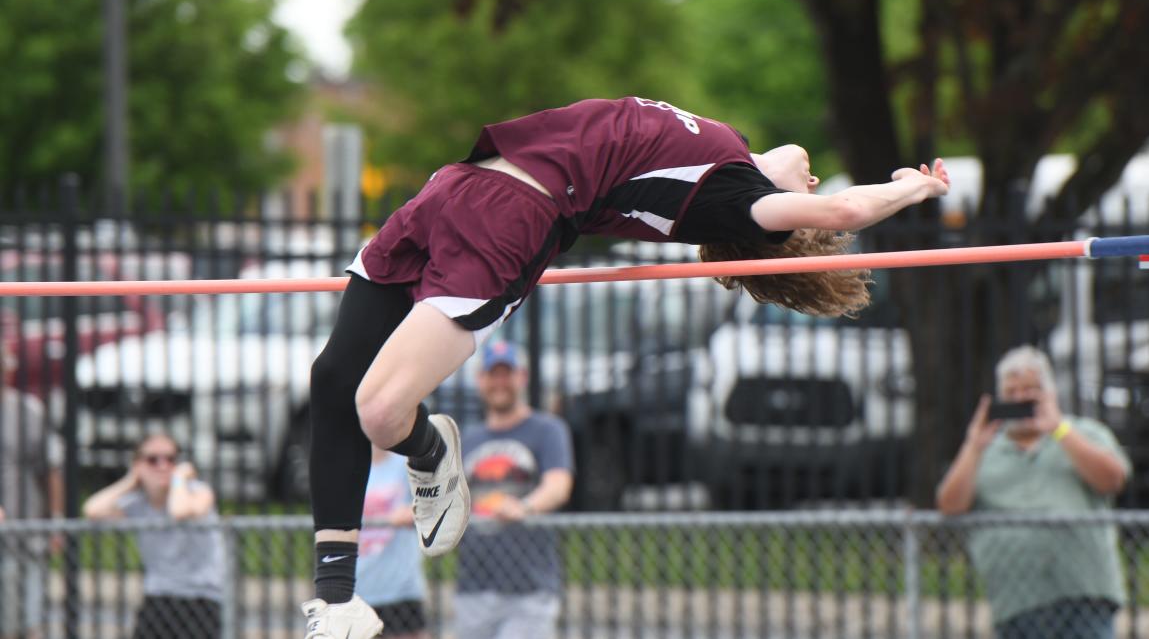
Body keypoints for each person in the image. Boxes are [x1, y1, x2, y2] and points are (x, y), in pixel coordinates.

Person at [302, 96, 951, 638]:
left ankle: (424, 449)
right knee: (332, 379)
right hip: (456, 185)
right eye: (811, 181)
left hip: (508, 220)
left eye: (805, 198)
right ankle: (336, 599)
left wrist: (915, 187)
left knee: (380, 410)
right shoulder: (731, 147)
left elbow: (843, 212)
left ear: (776, 229)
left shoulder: (735, 201)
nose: (812, 180)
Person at [936, 346, 1131, 639]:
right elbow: (950, 505)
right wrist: (973, 446)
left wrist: (1059, 429)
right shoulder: (984, 451)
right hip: (1016, 604)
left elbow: (1113, 479)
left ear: (1051, 393)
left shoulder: (1084, 432)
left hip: (1083, 595)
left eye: (1031, 390)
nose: (1021, 399)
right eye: (1012, 393)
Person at [453, 340, 574, 639]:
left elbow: (559, 484)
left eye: (507, 374)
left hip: (529, 588)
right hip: (474, 586)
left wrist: (525, 507)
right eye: (493, 374)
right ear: (481, 380)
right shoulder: (468, 438)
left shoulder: (547, 430)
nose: (500, 383)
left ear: (523, 377)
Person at [83, 433, 225, 639]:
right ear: (138, 464)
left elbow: (179, 512)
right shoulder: (138, 502)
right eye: (153, 460)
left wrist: (178, 479)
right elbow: (92, 510)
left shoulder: (198, 492)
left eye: (170, 459)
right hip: (159, 595)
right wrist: (131, 480)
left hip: (202, 596)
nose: (163, 466)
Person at [0, 373, 64, 639]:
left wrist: (56, 521)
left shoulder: (28, 410)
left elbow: (51, 469)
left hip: (23, 530)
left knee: (27, 621)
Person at [357, 444, 430, 639]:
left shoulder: (406, 465)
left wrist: (413, 512)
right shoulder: (348, 469)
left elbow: (434, 505)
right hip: (359, 587)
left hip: (399, 587)